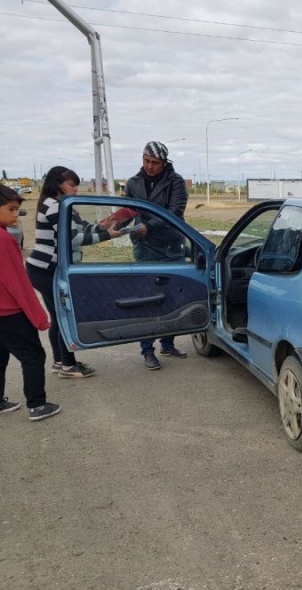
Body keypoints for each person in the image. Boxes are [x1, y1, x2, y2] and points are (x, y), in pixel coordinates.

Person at [25, 166, 124, 379]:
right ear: (57, 184)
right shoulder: (54, 206)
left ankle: (60, 362)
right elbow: (73, 239)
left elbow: (82, 228)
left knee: (57, 316)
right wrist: (107, 236)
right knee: (64, 317)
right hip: (46, 269)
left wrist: (102, 227)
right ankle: (68, 366)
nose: (76, 189)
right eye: (72, 185)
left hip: (44, 269)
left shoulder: (64, 205)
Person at [123, 141, 189, 370]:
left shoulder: (176, 182)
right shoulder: (133, 183)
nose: (150, 167)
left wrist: (148, 226)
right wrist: (107, 227)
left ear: (164, 163)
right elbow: (128, 211)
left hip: (171, 246)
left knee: (173, 297)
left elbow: (174, 213)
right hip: (144, 248)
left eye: (155, 163)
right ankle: (147, 350)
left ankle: (168, 344)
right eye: (146, 161)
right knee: (147, 300)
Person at [0, 184, 61, 421]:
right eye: (11, 209)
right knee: (33, 356)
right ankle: (37, 405)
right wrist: (39, 317)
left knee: (1, 355)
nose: (16, 215)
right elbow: (18, 283)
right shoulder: (4, 239)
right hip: (11, 313)